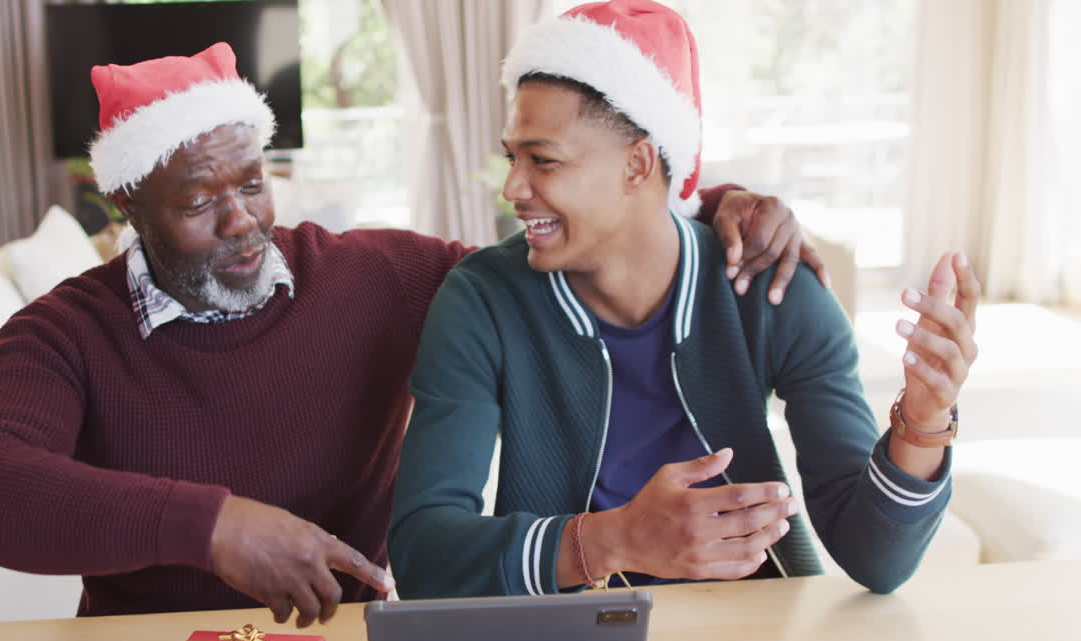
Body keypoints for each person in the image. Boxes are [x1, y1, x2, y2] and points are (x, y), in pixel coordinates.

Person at [0, 41, 827, 627]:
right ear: (127, 204)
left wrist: (702, 203)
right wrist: (210, 527)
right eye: (199, 202)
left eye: (253, 181)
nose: (242, 220)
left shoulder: (382, 278)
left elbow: (566, 243)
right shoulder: (62, 334)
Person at [389, 0, 979, 599]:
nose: (514, 187)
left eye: (543, 160)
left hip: (759, 636)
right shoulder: (482, 300)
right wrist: (611, 540)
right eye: (513, 156)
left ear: (638, 163)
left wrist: (924, 423)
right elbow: (421, 556)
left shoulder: (772, 289)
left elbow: (877, 562)